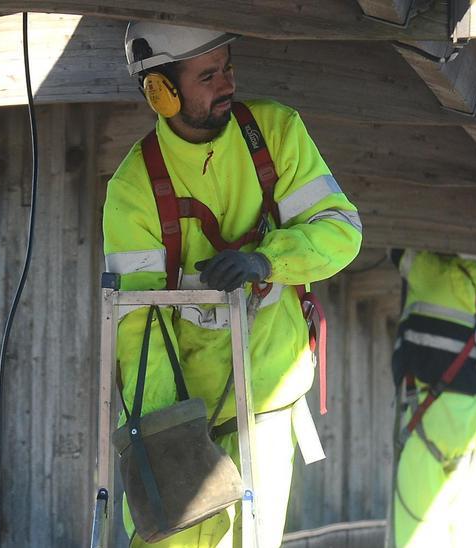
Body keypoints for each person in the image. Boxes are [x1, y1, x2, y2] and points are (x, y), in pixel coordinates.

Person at [103, 21, 363, 547]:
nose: (226, 85)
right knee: (167, 537)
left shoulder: (276, 133)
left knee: (252, 538)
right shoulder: (133, 190)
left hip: (266, 393)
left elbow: (341, 231)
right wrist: (165, 434)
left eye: (227, 69)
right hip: (182, 402)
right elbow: (140, 327)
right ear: (161, 92)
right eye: (207, 75)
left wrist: (267, 262)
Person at [388, 249, 476, 548]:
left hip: (427, 412)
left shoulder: (430, 272)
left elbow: (398, 253)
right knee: (466, 522)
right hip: (473, 420)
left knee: (417, 524)